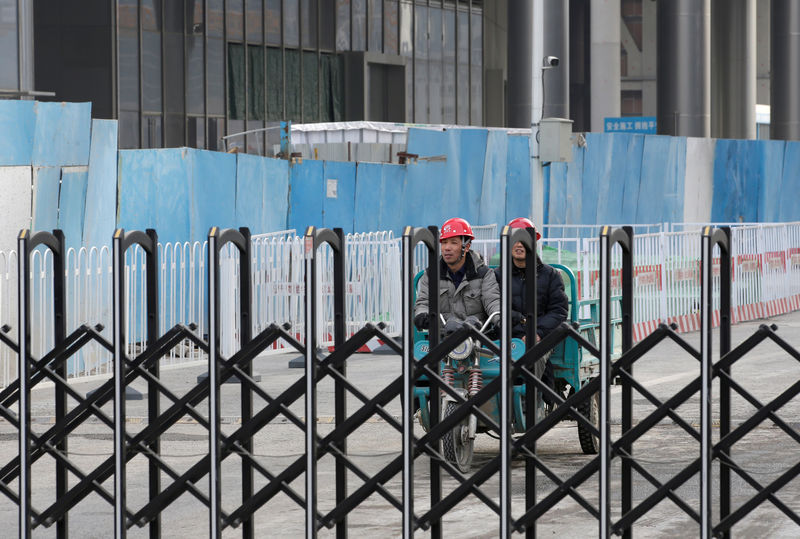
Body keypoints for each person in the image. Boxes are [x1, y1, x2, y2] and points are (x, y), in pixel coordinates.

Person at [494, 217, 569, 405]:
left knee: (532, 355)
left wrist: (537, 333)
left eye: (524, 240)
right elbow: (492, 308)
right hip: (504, 335)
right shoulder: (496, 276)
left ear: (533, 243)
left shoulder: (551, 275)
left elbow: (559, 311)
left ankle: (531, 406)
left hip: (539, 337)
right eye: (514, 240)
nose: (518, 245)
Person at [414, 217, 501, 335]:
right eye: (444, 242)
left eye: (453, 242)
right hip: (442, 338)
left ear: (467, 246)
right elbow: (424, 302)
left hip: (477, 337)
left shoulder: (484, 274)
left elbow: (493, 301)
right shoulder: (431, 275)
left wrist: (500, 319)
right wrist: (422, 315)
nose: (447, 248)